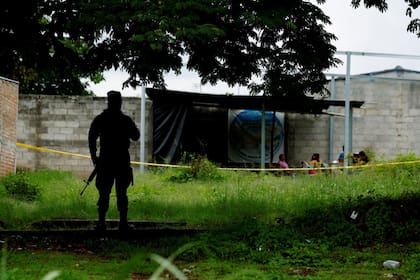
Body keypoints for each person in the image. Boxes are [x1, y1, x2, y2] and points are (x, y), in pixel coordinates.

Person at [89, 90, 140, 232]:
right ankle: (122, 223)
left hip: (106, 161)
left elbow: (91, 138)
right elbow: (136, 135)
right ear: (120, 102)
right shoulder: (125, 120)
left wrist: (94, 158)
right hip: (121, 161)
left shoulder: (101, 119)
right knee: (121, 193)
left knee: (105, 193)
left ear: (108, 102)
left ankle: (102, 223)